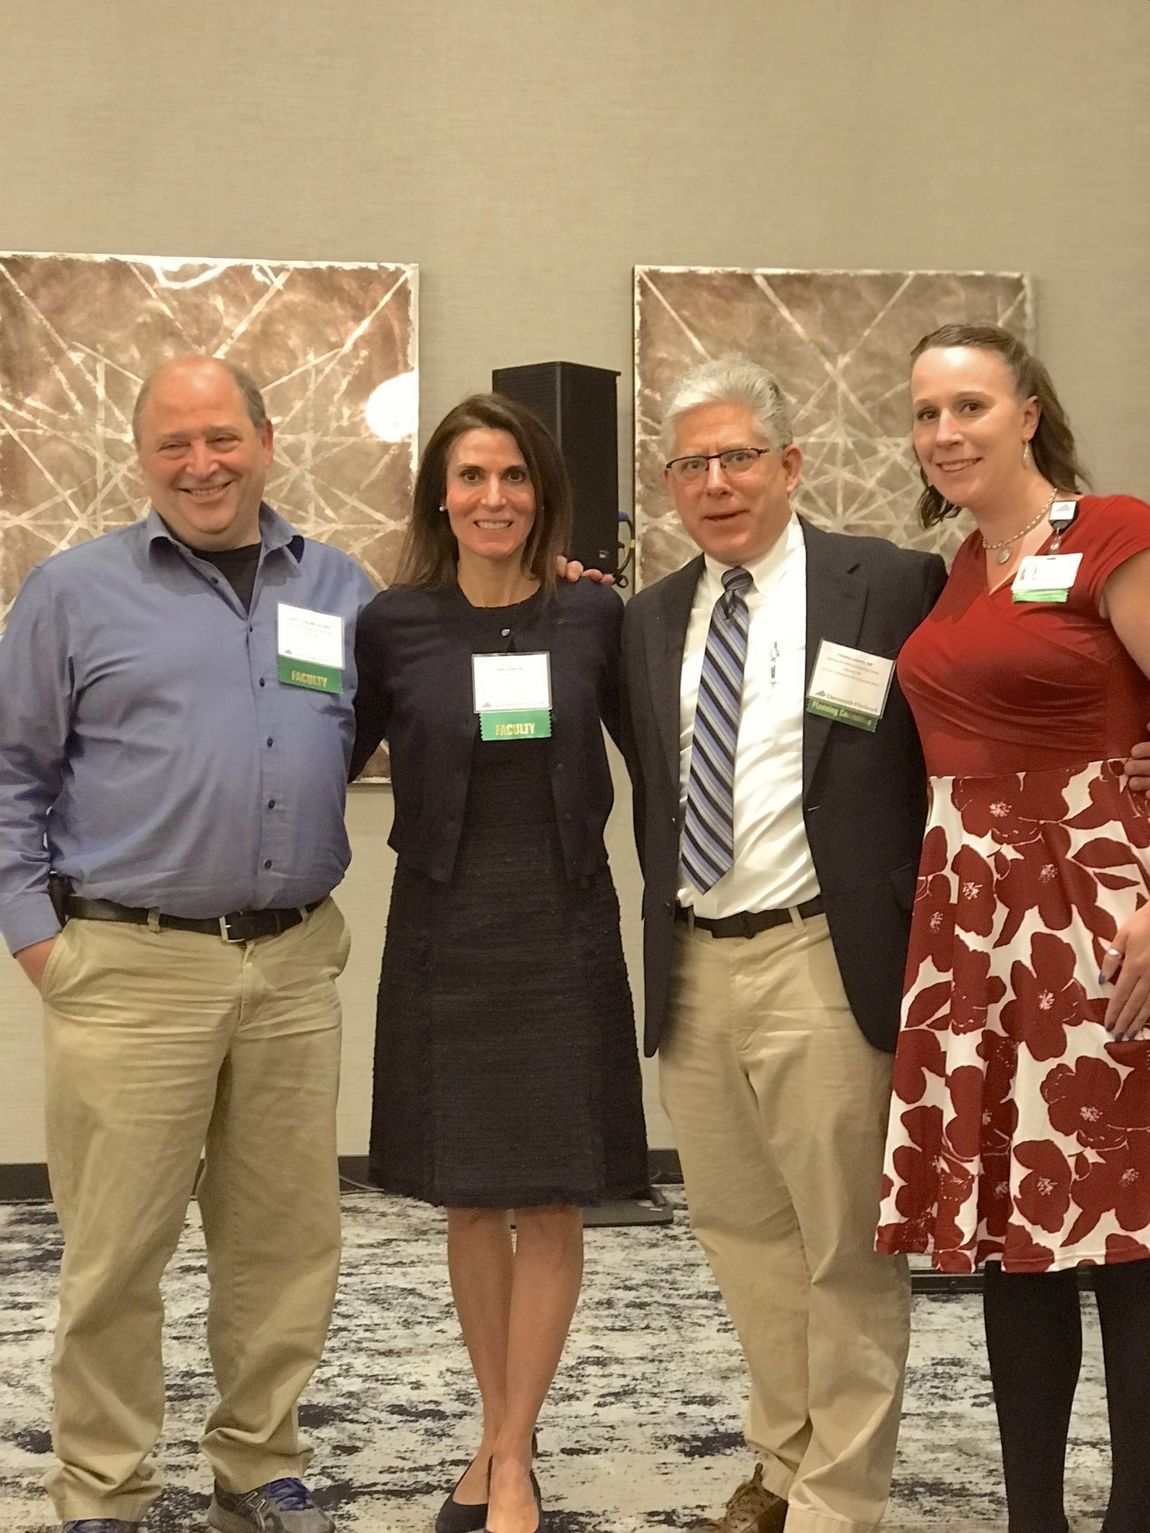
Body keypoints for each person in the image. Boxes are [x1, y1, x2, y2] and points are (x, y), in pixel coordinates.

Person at [0, 356, 376, 1533]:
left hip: (293, 961)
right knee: (117, 1252)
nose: (201, 465)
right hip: (128, 965)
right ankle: (105, 1487)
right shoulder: (70, 592)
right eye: (174, 444)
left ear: (266, 441)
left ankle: (260, 1461)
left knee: (284, 1239)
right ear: (142, 457)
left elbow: (374, 728)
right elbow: (12, 773)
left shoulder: (343, 587)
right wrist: (38, 942)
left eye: (222, 438)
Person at [621, 358, 946, 1533]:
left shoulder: (890, 584)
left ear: (790, 464)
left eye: (739, 457)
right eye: (692, 465)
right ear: (669, 485)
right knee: (743, 1236)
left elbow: (984, 705)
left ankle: (837, 1502)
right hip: (695, 963)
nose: (717, 484)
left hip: (823, 957)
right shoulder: (647, 618)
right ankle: (781, 1457)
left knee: (843, 1248)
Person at [349, 393, 647, 1533]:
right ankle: (499, 1430)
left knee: (555, 1203)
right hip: (444, 937)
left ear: (545, 496)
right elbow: (330, 741)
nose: (492, 498)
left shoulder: (594, 620)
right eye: (471, 477)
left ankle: (506, 1460)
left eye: (513, 477)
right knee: (471, 1205)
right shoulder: (394, 624)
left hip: (563, 930)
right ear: (441, 494)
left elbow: (657, 760)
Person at [876, 324, 1150, 1533]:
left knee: (1128, 1227)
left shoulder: (1112, 532)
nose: (946, 433)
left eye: (971, 406)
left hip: (1100, 905)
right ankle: (1031, 1515)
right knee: (1010, 1224)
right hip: (972, 919)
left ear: (1028, 413)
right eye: (927, 413)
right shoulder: (952, 572)